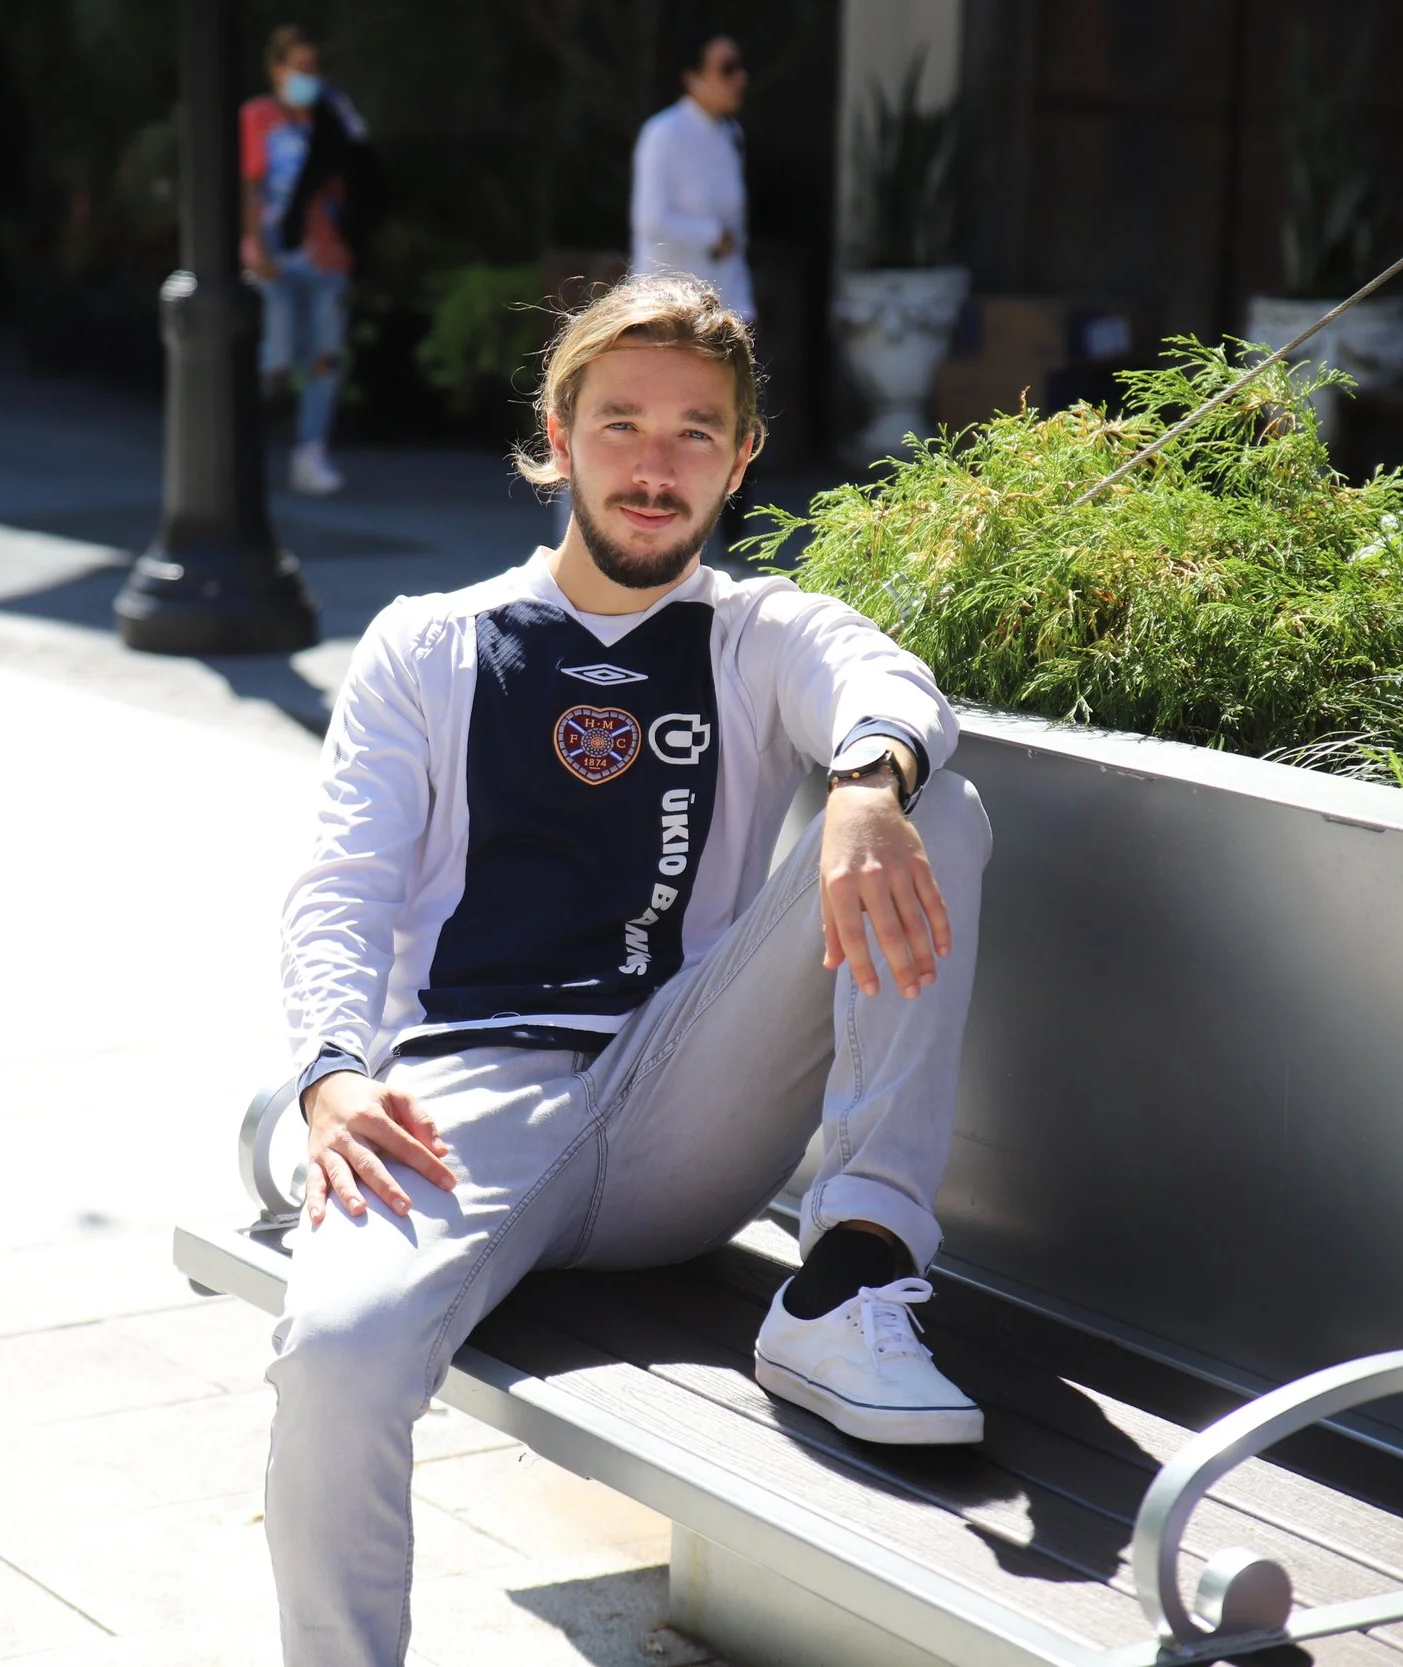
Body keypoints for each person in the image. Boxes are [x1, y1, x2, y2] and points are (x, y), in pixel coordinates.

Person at [265, 272, 991, 1666]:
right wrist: (328, 1077)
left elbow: (889, 683)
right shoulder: (432, 641)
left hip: (684, 1102)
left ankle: (851, 1272)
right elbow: (341, 891)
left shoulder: (757, 629)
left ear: (744, 453)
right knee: (336, 1357)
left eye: (696, 432)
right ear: (557, 432)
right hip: (463, 1103)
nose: (655, 466)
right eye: (621, 425)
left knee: (927, 807)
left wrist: (861, 779)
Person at [242, 24, 370, 497]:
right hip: (277, 251)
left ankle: (310, 451)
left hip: (327, 254)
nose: (305, 77)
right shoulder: (258, 116)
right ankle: (243, 453)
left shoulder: (331, 119)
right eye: (297, 68)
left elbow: (357, 176)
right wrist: (255, 245)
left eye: (313, 70)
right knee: (272, 358)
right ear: (275, 70)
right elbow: (252, 185)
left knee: (323, 356)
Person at [631, 31, 754, 323]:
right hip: (664, 312)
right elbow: (650, 220)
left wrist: (744, 307)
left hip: (720, 312)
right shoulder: (663, 133)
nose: (740, 79)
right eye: (727, 69)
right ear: (692, 78)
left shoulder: (730, 134)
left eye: (739, 67)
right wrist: (712, 235)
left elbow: (735, 233)